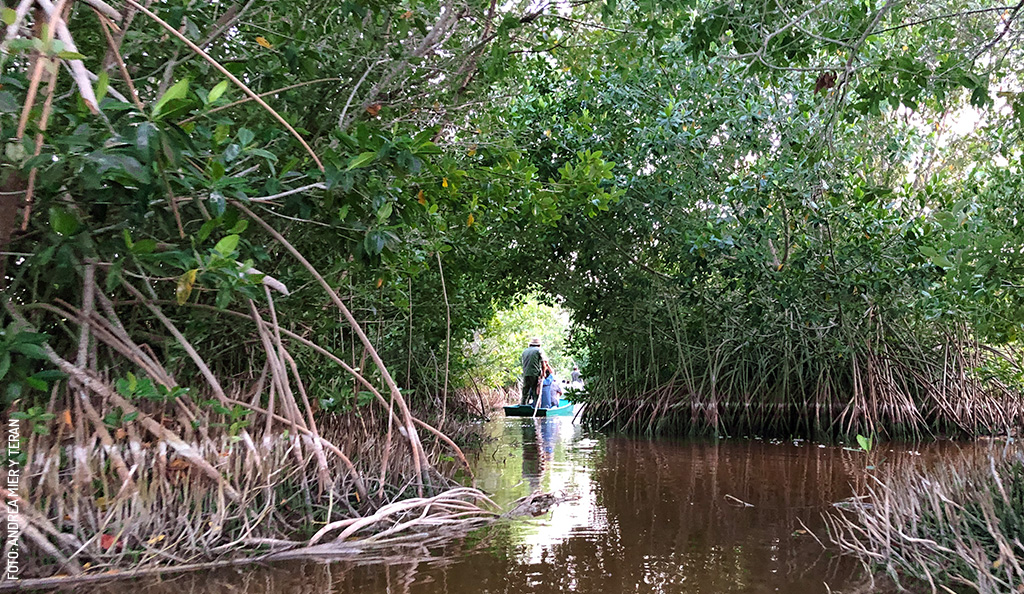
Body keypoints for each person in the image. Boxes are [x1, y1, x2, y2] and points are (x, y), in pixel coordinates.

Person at [519, 337, 547, 405]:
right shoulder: (539, 350)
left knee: (525, 393)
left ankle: (522, 406)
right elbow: (543, 364)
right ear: (539, 345)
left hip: (526, 374)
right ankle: (536, 407)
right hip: (535, 374)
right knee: (535, 392)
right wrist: (543, 373)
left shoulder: (525, 351)